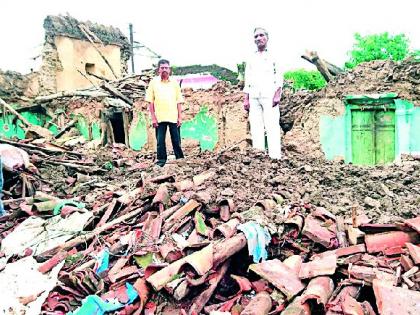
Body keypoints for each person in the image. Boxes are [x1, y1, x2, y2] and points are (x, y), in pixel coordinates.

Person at [243, 27, 283, 159]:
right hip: (254, 95)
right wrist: (246, 98)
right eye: (256, 36)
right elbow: (247, 78)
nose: (258, 38)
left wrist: (278, 94)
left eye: (261, 35)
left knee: (271, 125)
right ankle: (258, 156)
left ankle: (275, 157)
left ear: (267, 37)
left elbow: (279, 75)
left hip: (269, 95)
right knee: (256, 126)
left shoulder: (274, 55)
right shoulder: (251, 58)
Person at [146, 59, 184, 167]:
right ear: (158, 70)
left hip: (173, 116)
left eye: (166, 68)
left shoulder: (175, 83)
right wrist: (153, 118)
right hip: (159, 117)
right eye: (162, 68)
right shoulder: (153, 83)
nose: (164, 70)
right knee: (160, 141)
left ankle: (180, 159)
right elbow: (150, 102)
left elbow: (179, 101)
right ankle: (161, 161)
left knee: (176, 140)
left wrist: (180, 117)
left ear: (169, 69)